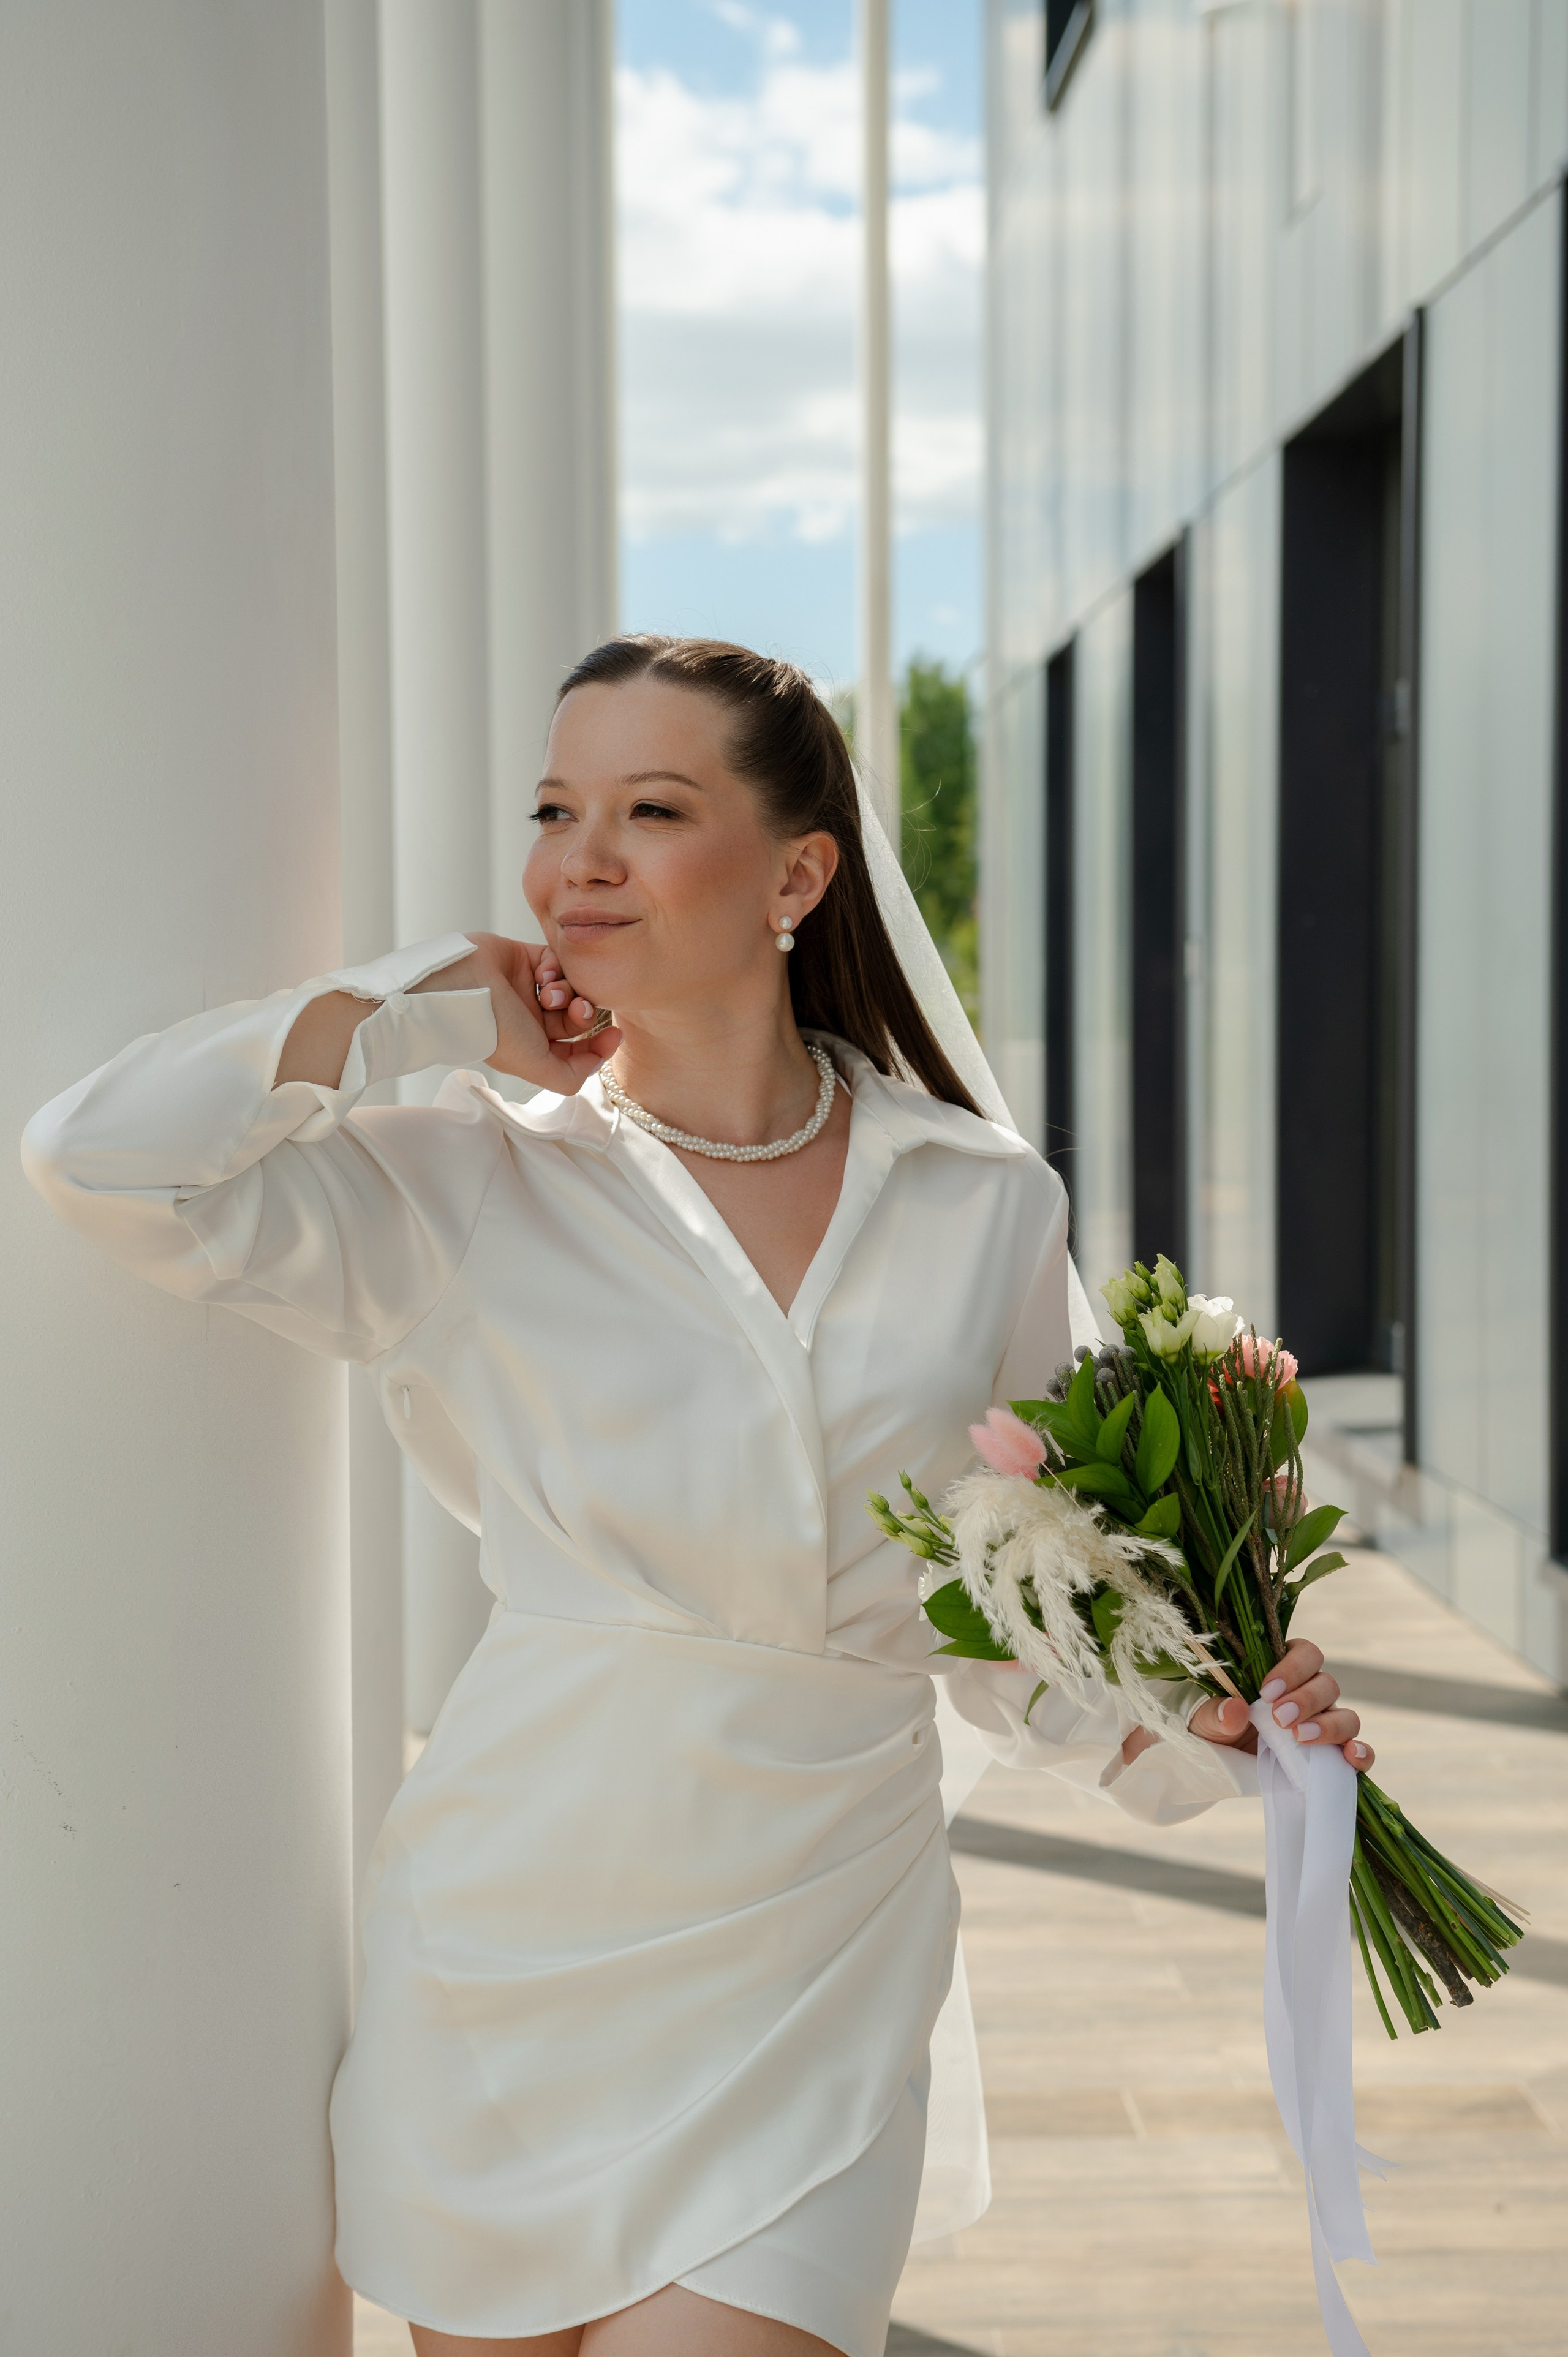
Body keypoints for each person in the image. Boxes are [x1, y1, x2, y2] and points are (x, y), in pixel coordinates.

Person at [21, 637, 1373, 2357]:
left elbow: (1019, 1615)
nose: (580, 858)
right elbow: (102, 1158)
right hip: (515, 1957)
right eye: (554, 809)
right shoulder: (471, 1171)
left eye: (652, 810)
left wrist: (1218, 1714)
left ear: (799, 871)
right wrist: (417, 991)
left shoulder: (978, 1206)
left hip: (818, 1963)